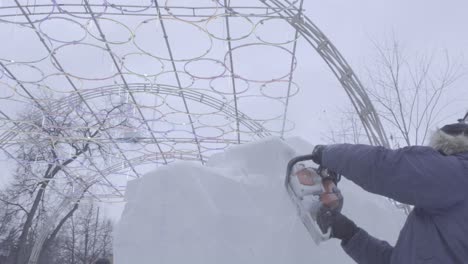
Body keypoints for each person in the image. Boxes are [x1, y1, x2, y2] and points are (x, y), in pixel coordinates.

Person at [311, 113, 468, 264]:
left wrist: (328, 154)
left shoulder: (459, 172)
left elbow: (387, 168)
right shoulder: (440, 211)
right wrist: (350, 234)